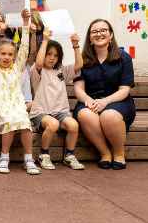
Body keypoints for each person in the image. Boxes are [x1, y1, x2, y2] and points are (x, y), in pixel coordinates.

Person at [73, 19, 135, 170]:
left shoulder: (123, 57)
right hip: (90, 102)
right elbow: (79, 89)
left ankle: (119, 154)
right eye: (94, 31)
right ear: (89, 37)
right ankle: (105, 153)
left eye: (103, 30)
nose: (99, 34)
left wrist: (105, 102)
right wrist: (88, 100)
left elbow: (124, 90)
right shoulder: (83, 59)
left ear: (111, 34)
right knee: (85, 114)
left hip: (118, 102)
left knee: (109, 115)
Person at [0, 9, 41, 175]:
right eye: (3, 54)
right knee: (9, 121)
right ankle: (4, 157)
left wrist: (25, 25)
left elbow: (24, 49)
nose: (7, 57)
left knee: (24, 122)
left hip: (16, 104)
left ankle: (29, 159)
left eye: (10, 54)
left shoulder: (17, 69)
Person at [30, 28, 85, 170]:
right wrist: (45, 40)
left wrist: (75, 45)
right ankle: (44, 155)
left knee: (73, 125)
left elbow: (79, 65)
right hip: (41, 112)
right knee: (53, 124)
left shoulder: (60, 70)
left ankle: (69, 156)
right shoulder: (37, 70)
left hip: (61, 112)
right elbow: (39, 63)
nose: (52, 58)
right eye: (49, 54)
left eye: (55, 55)